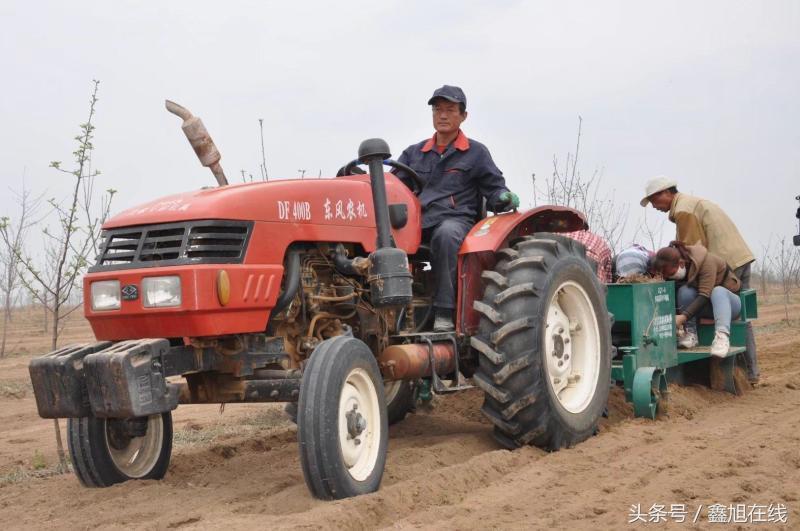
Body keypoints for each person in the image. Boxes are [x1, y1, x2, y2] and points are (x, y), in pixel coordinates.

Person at [394, 85, 519, 332]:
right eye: (437, 109)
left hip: (456, 221)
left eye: (450, 110)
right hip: (420, 221)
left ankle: (444, 311)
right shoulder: (414, 154)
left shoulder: (475, 153)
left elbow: (493, 188)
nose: (442, 115)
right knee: (383, 234)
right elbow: (393, 186)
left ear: (463, 116)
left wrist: (503, 197)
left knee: (446, 235)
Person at [641, 176, 759, 382]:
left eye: (654, 202)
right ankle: (750, 373)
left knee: (711, 301)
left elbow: (689, 252)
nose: (655, 207)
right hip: (738, 257)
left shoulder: (684, 210)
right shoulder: (689, 204)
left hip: (726, 265)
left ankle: (723, 369)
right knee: (740, 319)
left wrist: (680, 309)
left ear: (665, 193)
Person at [652, 241, 741, 357]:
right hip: (706, 308)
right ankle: (691, 334)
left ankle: (722, 337)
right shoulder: (682, 267)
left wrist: (683, 317)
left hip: (728, 305)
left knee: (717, 291)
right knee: (685, 290)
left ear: (681, 263)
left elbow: (704, 295)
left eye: (671, 274)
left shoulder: (707, 261)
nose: (670, 277)